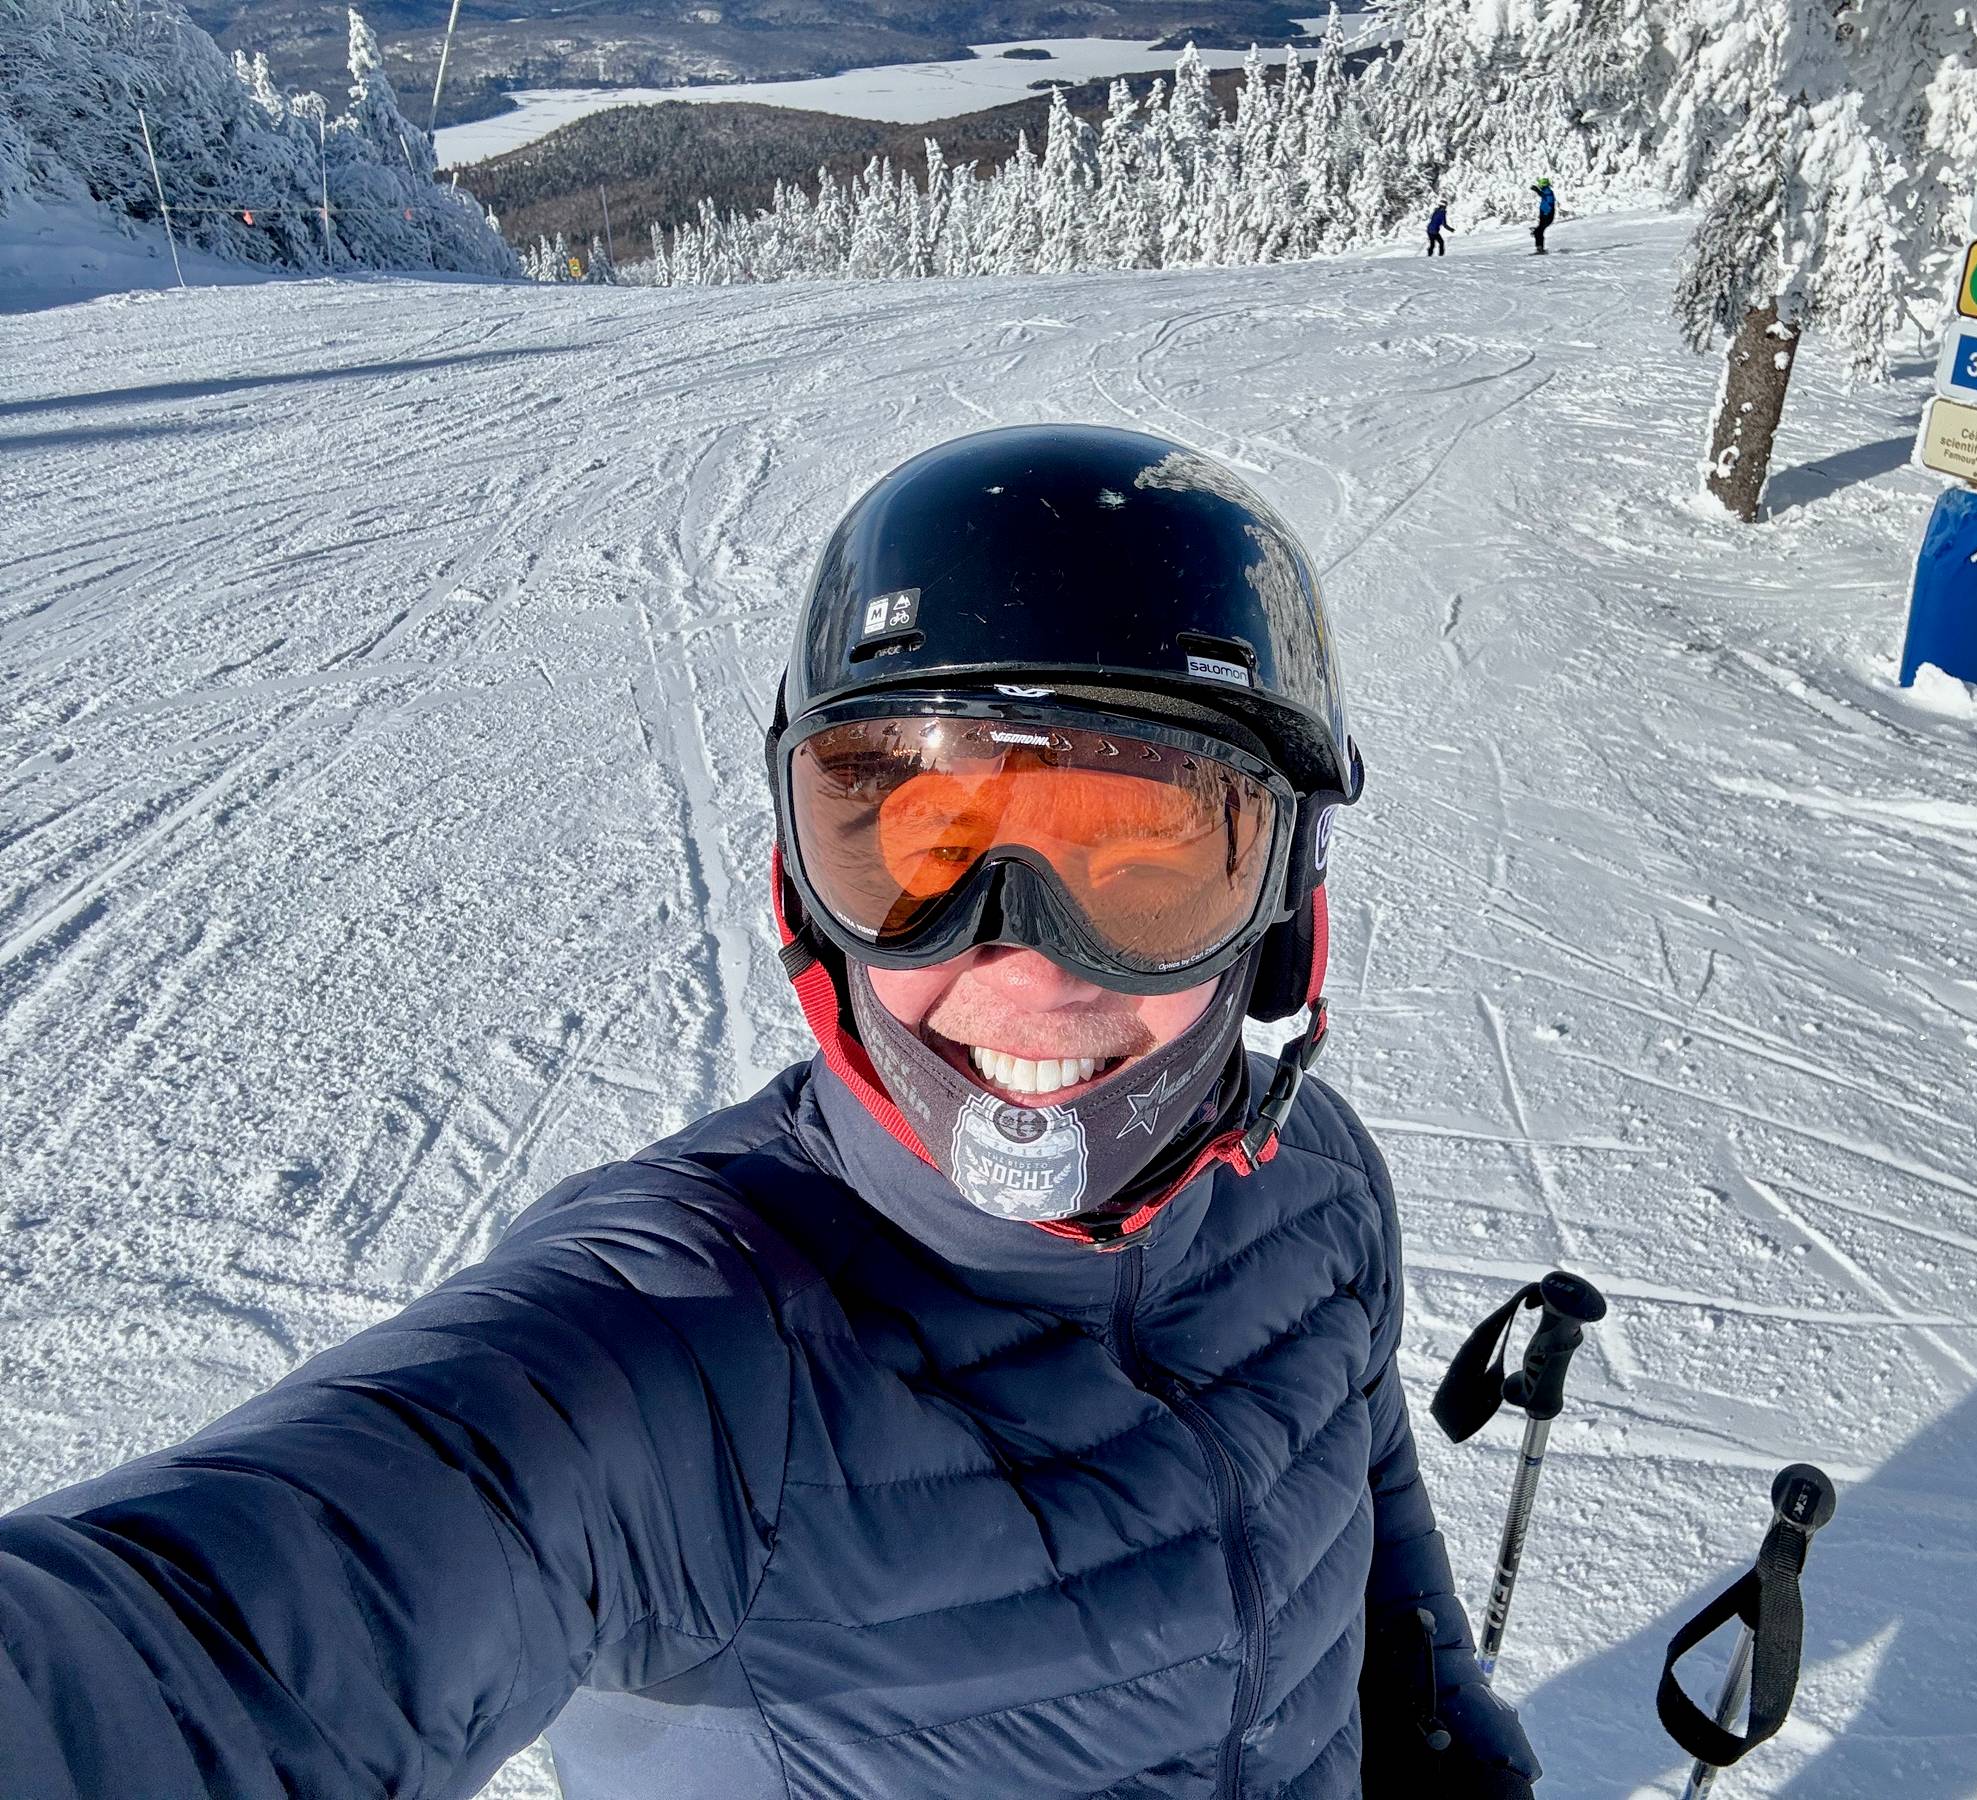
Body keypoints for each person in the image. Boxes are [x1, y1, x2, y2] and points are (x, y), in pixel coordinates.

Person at [0, 424, 1544, 1800]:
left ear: (1282, 912)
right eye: (923, 857)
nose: (1023, 966)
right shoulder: (686, 1354)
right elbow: (201, 1649)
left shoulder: (1316, 1183)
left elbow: (1362, 1482)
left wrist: (1438, 1720)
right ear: (806, 891)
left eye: (1145, 865)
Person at [1530, 177, 1556, 255]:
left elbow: (1549, 201)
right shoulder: (1546, 191)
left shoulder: (1548, 192)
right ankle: (1539, 248)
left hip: (1547, 216)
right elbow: (1543, 195)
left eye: (1540, 184)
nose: (1539, 185)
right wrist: (1537, 190)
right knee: (1538, 231)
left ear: (1543, 185)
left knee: (1539, 231)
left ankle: (1540, 249)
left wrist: (1546, 212)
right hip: (1544, 216)